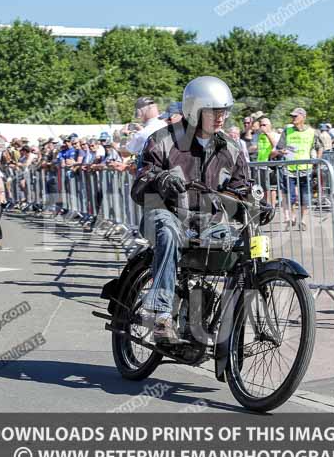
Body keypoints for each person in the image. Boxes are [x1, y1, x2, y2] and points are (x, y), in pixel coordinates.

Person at [130, 75, 254, 343]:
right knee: (169, 231)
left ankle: (214, 321)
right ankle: (161, 313)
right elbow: (139, 186)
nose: (221, 117)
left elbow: (241, 187)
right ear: (194, 110)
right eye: (213, 111)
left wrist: (248, 201)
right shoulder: (163, 140)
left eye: (224, 111)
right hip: (165, 213)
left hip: (208, 222)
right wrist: (161, 179)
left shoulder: (231, 149)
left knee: (241, 245)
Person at [270, 107, 322, 229]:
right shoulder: (287, 131)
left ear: (303, 117)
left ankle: (303, 221)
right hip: (289, 169)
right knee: (290, 196)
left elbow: (320, 147)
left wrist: (317, 161)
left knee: (305, 196)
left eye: (295, 116)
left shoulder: (312, 132)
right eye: (292, 116)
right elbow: (278, 148)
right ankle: (292, 217)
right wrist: (280, 151)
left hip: (306, 169)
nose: (293, 118)